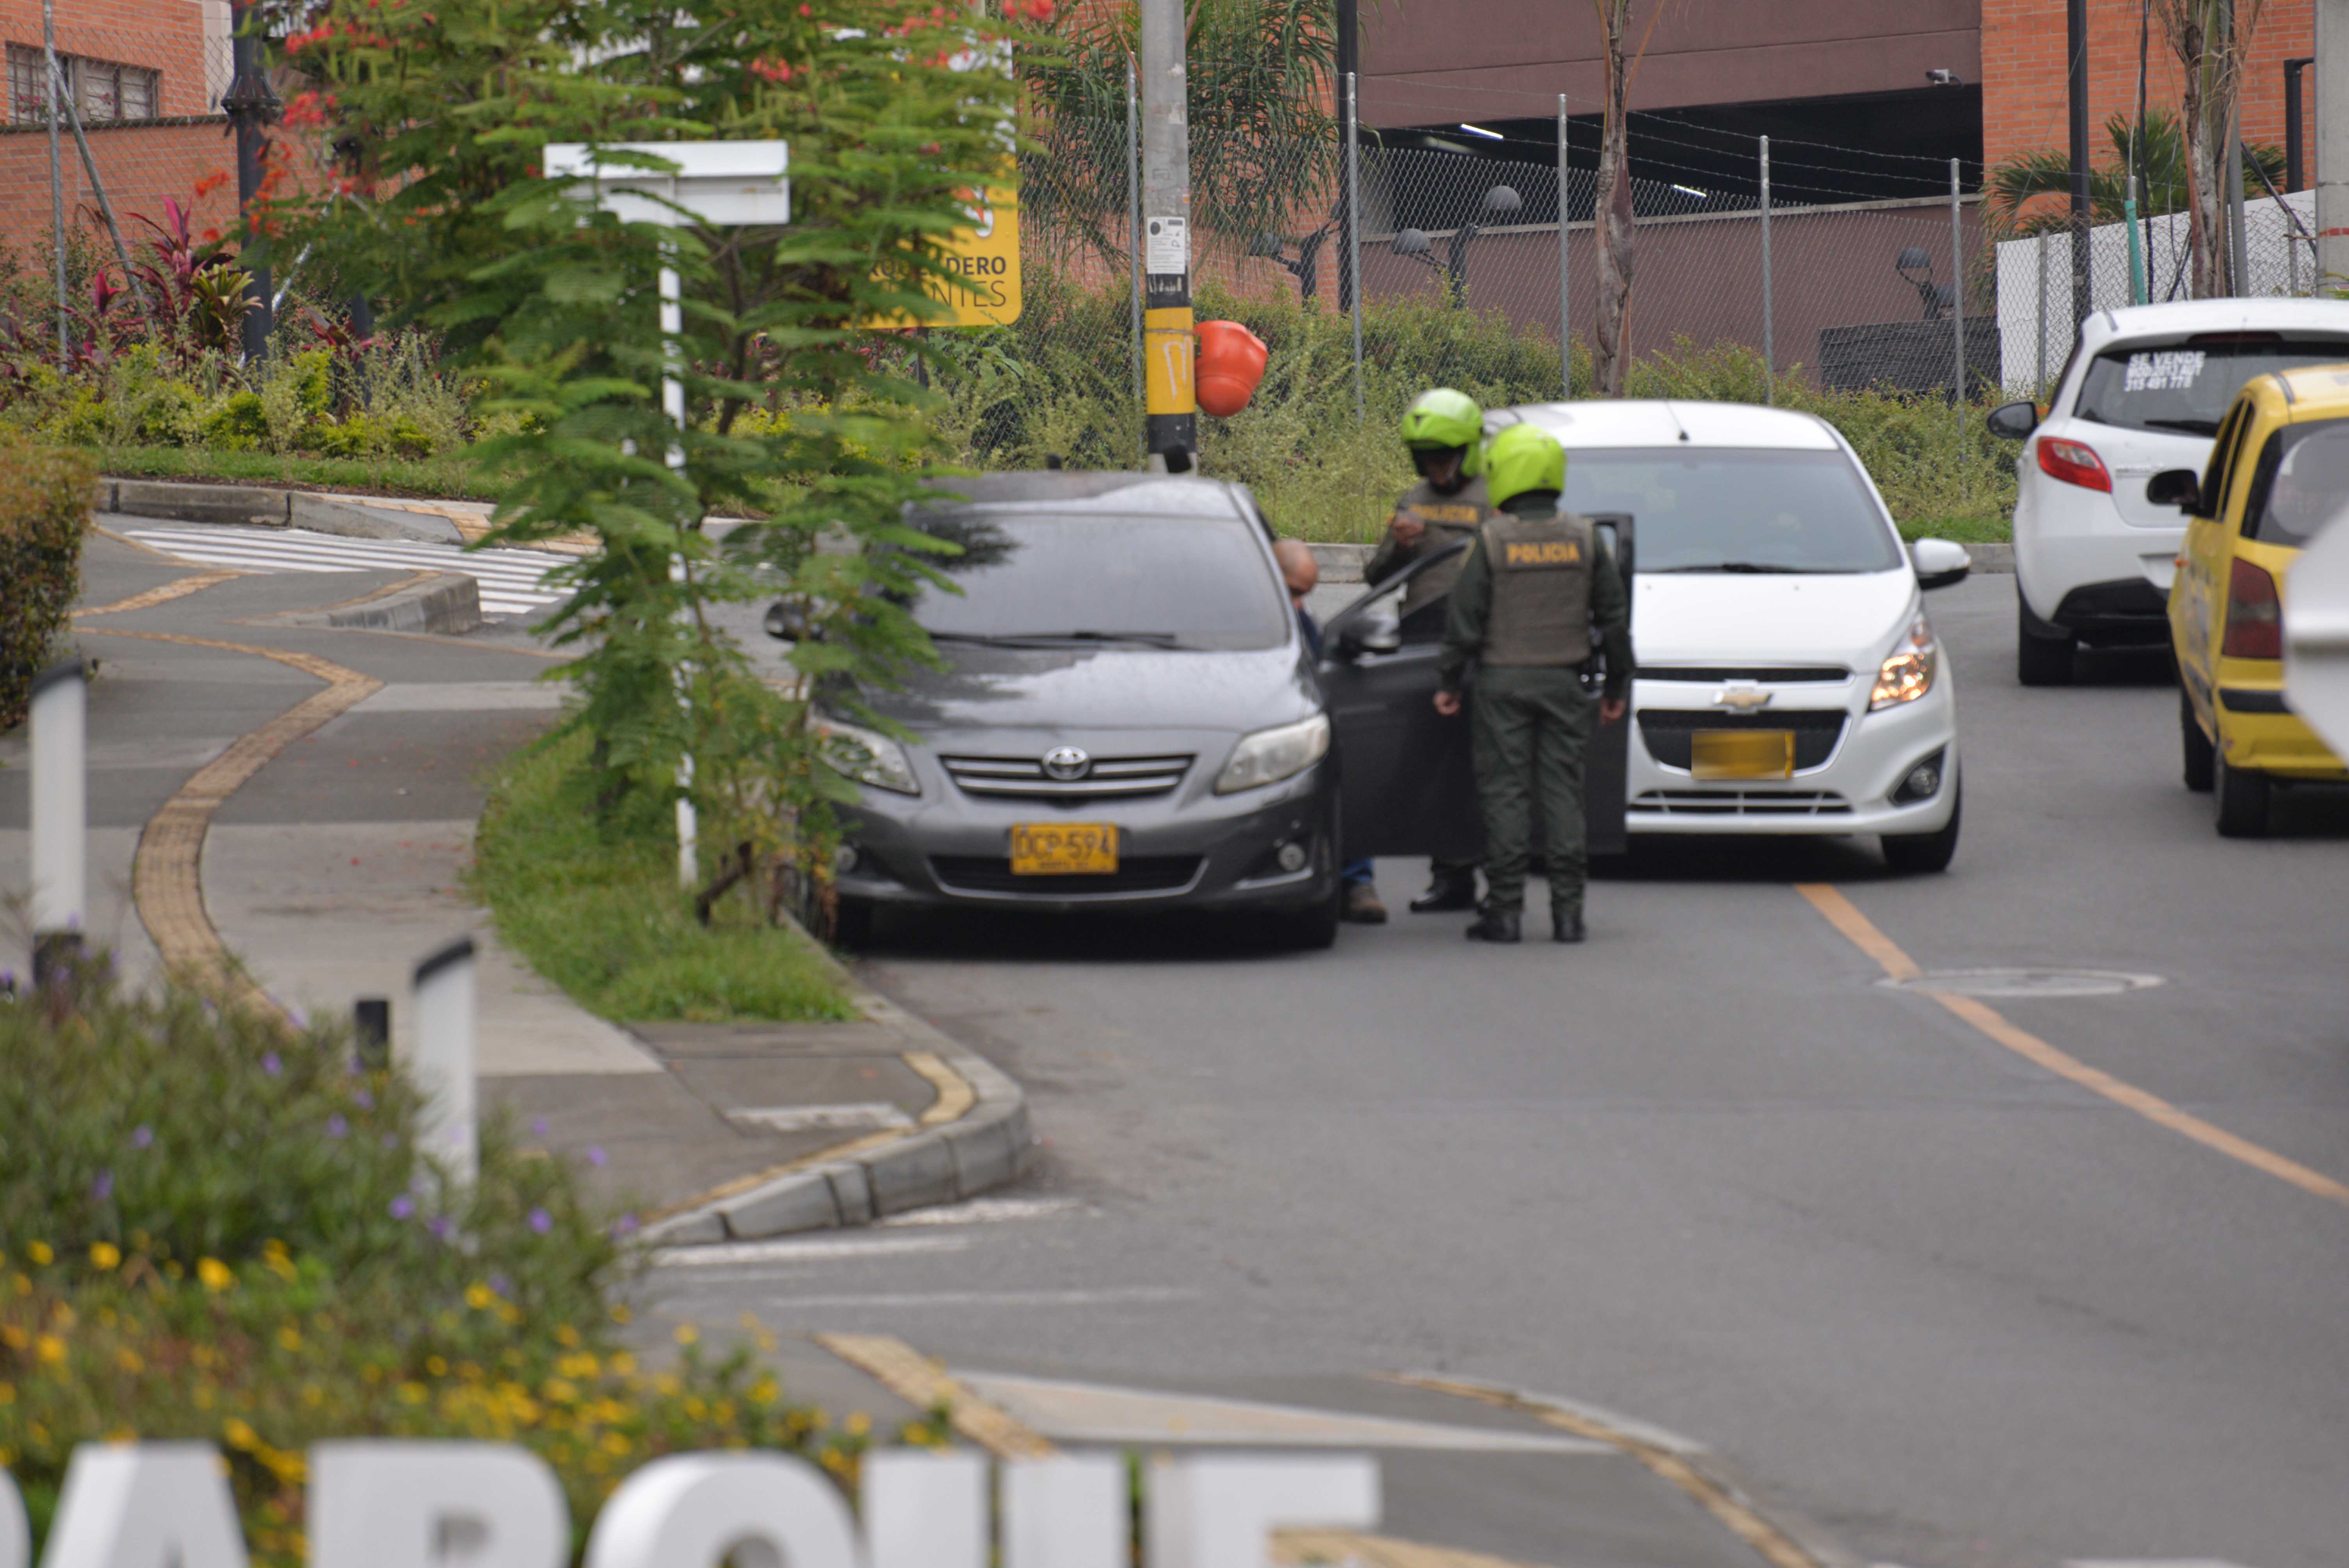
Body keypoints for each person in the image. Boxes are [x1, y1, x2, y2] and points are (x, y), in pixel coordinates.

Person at [1434, 423, 1631, 945]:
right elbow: (1614, 620)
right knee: (1564, 794)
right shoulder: (1586, 539)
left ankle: (1505, 912)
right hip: (1565, 684)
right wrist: (1616, 689)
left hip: (1503, 687)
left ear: (1504, 476)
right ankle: (1569, 915)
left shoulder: (1493, 541)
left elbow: (1465, 620)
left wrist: (1449, 681)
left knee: (1506, 795)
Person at [1366, 388, 1495, 915]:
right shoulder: (1413, 500)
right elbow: (1375, 577)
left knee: (1488, 765)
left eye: (1445, 455)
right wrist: (1400, 543)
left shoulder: (1497, 497)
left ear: (1468, 450)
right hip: (1424, 643)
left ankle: (1503, 880)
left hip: (1486, 644)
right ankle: (1452, 878)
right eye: (1427, 458)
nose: (1436, 467)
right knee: (1437, 764)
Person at [1275, 539, 1386, 923]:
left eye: (1306, 595)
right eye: (1292, 593)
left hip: (1305, 728)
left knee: (1348, 767)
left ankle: (1357, 882)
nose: (1300, 605)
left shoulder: (1305, 622)